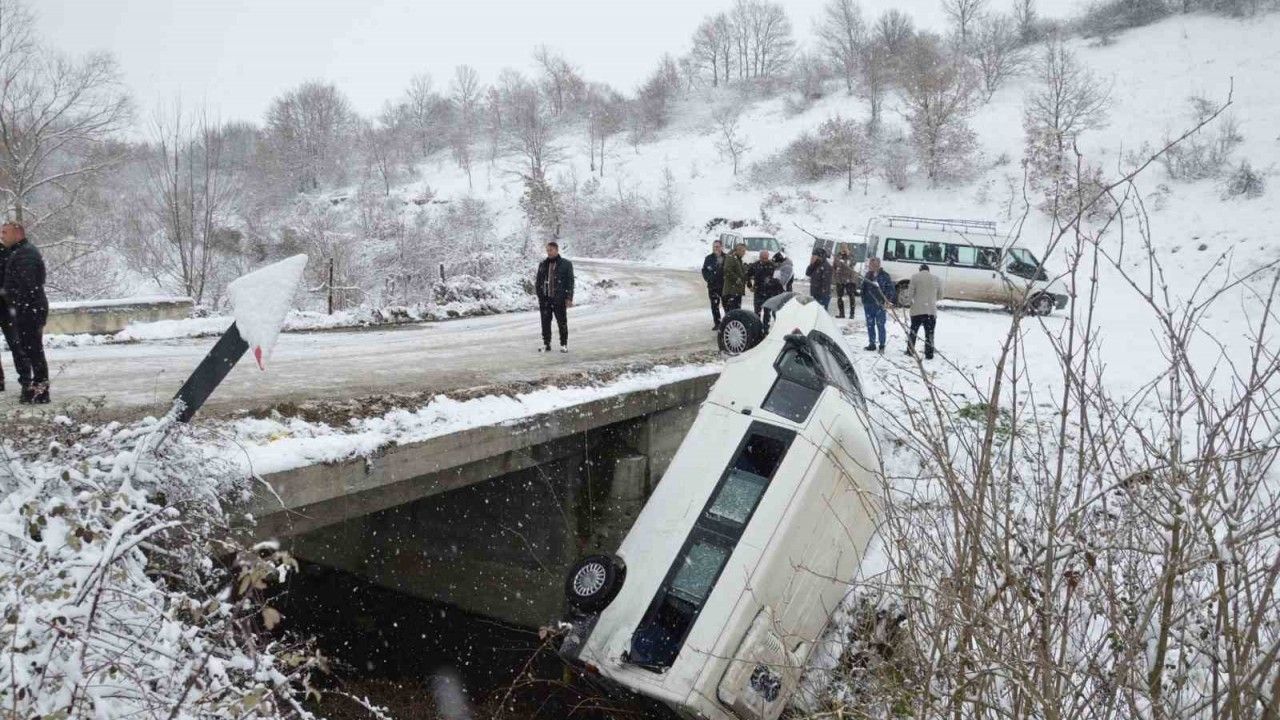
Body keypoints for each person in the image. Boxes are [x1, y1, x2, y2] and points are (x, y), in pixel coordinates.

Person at [0, 222, 49, 403]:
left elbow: (28, 285)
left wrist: (16, 303)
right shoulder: (18, 251)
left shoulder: (23, 253)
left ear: (17, 233)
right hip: (21, 308)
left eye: (5, 232)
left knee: (30, 350)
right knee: (30, 349)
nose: (2, 236)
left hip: (24, 309)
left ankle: (36, 389)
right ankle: (35, 389)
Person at [534, 241, 575, 353]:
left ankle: (563, 344)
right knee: (545, 323)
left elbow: (570, 282)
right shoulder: (543, 264)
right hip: (545, 299)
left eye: (551, 250)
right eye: (547, 250)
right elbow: (538, 282)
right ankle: (546, 344)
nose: (549, 252)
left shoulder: (566, 264)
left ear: (557, 250)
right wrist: (540, 296)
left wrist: (569, 298)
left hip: (559, 299)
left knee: (562, 322)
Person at [906, 264, 942, 359]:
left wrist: (909, 302)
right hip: (931, 311)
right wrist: (932, 299)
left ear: (920, 270)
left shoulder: (915, 277)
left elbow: (910, 293)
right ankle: (929, 353)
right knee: (929, 333)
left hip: (917, 310)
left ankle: (910, 350)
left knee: (913, 331)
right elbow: (940, 295)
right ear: (928, 270)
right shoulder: (936, 279)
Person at [860, 257, 895, 353]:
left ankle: (882, 345)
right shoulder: (868, 275)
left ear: (878, 265)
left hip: (879, 305)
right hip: (868, 304)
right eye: (870, 265)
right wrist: (863, 299)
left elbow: (890, 290)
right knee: (870, 324)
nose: (870, 266)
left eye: (873, 265)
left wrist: (887, 300)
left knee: (880, 325)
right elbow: (863, 287)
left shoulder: (885, 276)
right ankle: (872, 344)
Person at [700, 239, 726, 330]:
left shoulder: (726, 257)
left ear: (721, 247)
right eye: (714, 247)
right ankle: (717, 323)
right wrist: (709, 279)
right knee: (714, 306)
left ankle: (727, 322)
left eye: (717, 246)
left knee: (726, 305)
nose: (716, 248)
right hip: (712, 286)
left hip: (724, 286)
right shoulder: (709, 258)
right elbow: (704, 270)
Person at [747, 249, 775, 328]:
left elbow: (776, 278)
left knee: (767, 313)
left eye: (766, 258)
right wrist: (750, 286)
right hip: (758, 291)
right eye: (763, 258)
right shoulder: (755, 265)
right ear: (760, 257)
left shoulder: (772, 266)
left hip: (768, 292)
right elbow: (747, 275)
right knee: (757, 313)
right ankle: (757, 328)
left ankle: (765, 328)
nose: (765, 260)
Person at [721, 243, 747, 311]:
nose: (744, 253)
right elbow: (727, 270)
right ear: (738, 250)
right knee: (732, 312)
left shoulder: (738, 259)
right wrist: (737, 279)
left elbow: (739, 271)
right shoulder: (731, 257)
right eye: (743, 251)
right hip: (731, 291)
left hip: (737, 291)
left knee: (736, 311)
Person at [833, 248, 857, 319]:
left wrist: (848, 255)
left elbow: (853, 262)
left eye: (845, 247)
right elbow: (835, 265)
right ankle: (841, 313)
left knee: (851, 296)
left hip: (849, 279)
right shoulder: (838, 256)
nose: (843, 249)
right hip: (840, 279)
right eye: (842, 246)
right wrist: (839, 258)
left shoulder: (851, 255)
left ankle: (852, 314)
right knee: (839, 296)